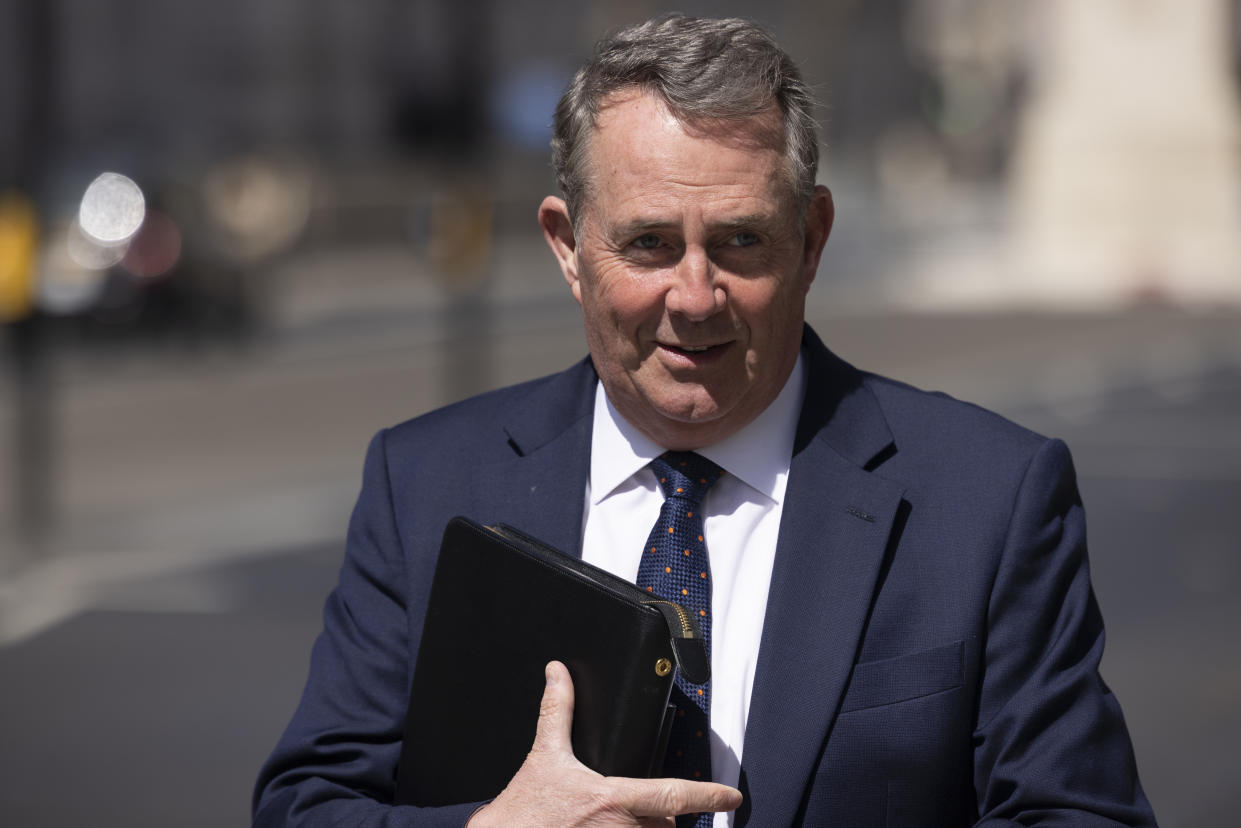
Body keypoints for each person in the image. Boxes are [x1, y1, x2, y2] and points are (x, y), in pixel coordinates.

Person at [253, 14, 1156, 827]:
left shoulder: (986, 499)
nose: (694, 296)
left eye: (740, 242)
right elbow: (307, 806)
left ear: (811, 241)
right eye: (648, 243)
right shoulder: (423, 484)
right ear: (567, 248)